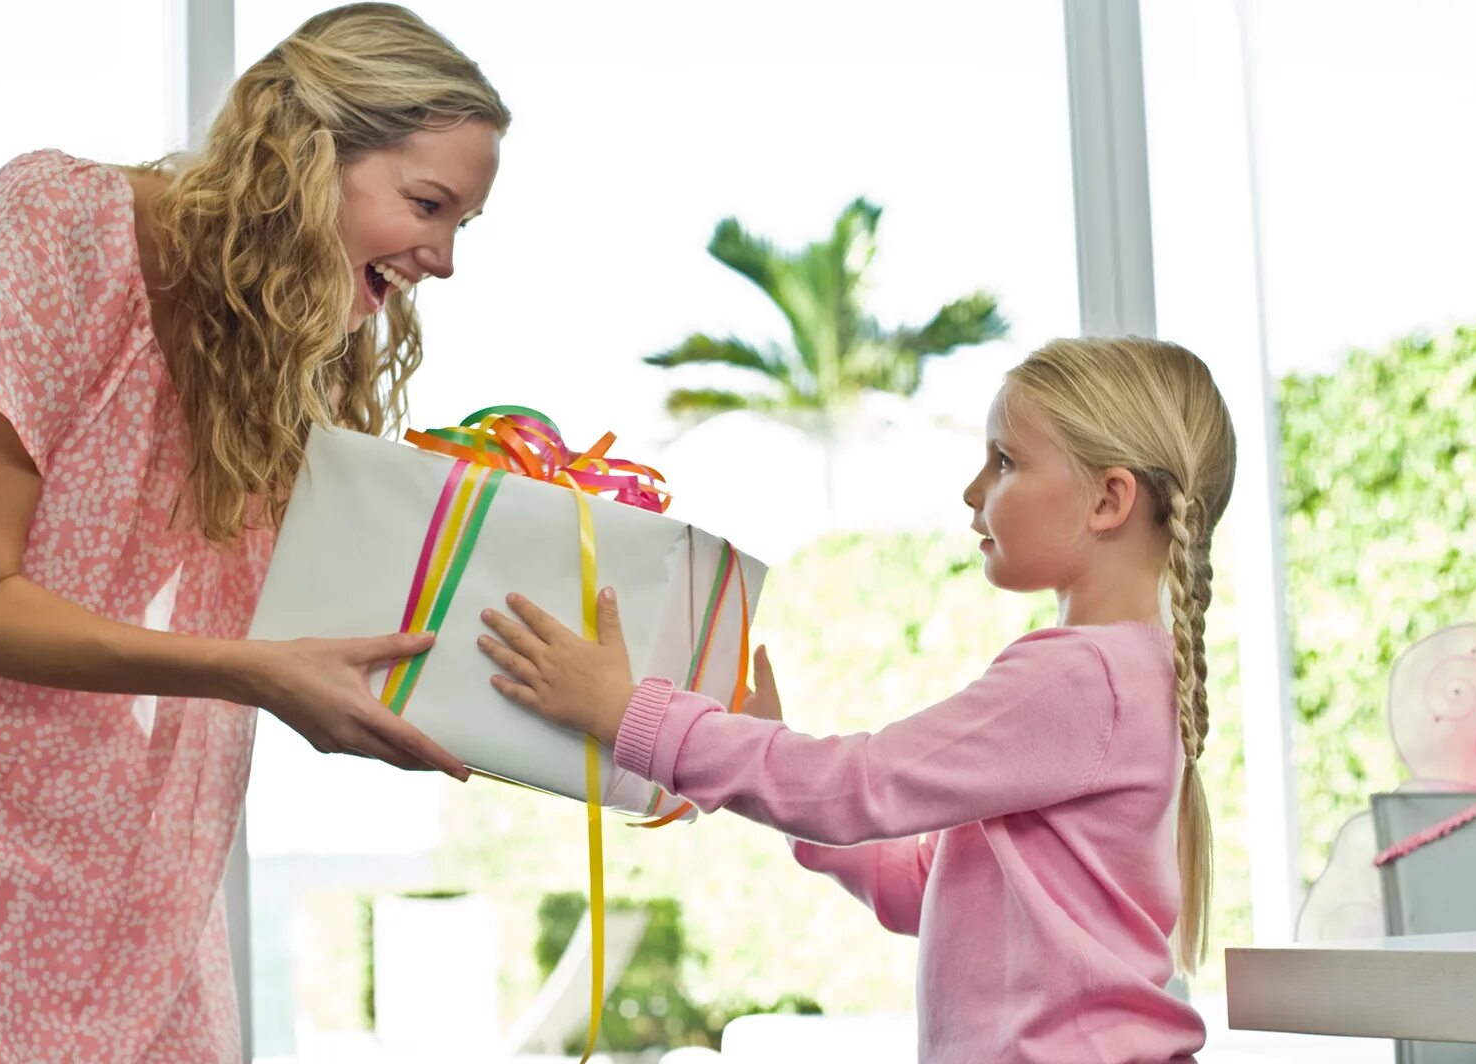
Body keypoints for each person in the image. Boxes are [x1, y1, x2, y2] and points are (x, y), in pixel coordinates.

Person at [0, 2, 506, 1062]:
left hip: (61, 755)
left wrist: (645, 724)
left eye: (458, 227)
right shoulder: (58, 221)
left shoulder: (265, 347)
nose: (439, 260)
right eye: (427, 205)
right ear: (310, 152)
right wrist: (259, 675)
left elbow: (365, 611)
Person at [478, 337, 1233, 1062]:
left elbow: (856, 787)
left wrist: (625, 713)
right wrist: (783, 797)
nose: (973, 491)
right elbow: (917, 887)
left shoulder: (1083, 679)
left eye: (1004, 461)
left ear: (1109, 499)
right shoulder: (1117, 677)